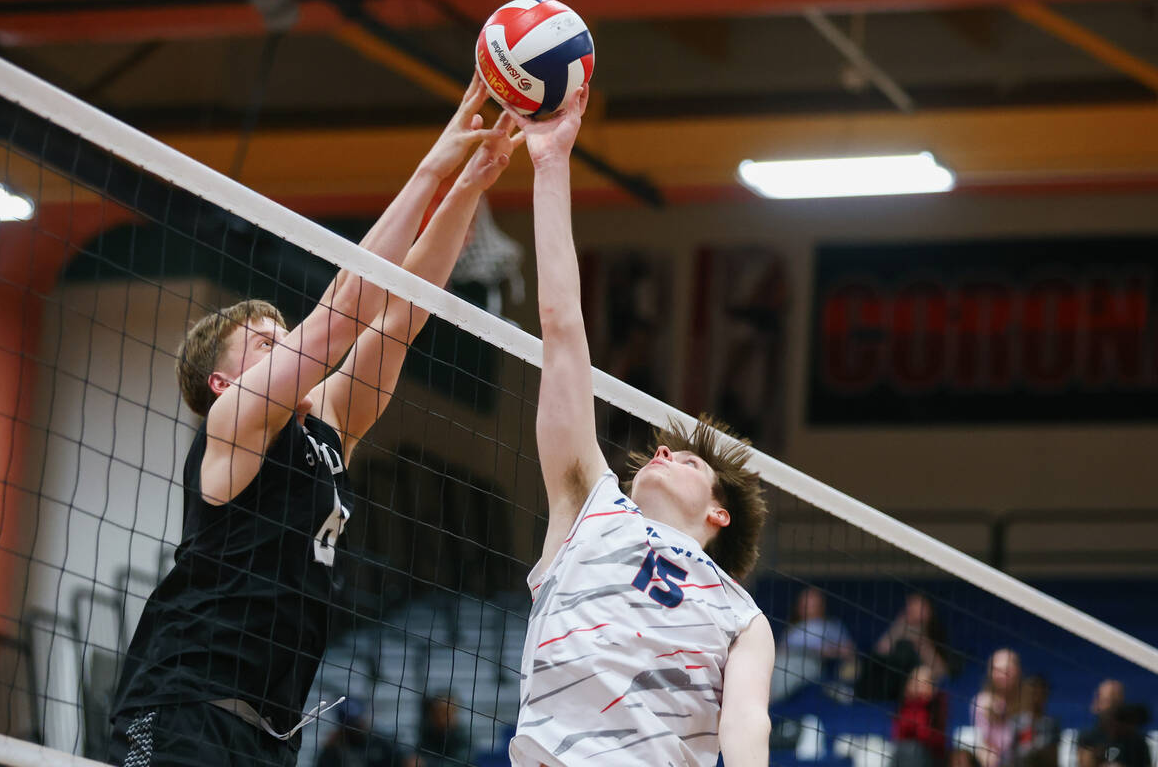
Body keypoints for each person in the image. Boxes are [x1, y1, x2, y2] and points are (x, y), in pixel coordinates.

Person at [107, 77, 521, 767]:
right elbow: (337, 320)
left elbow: (402, 313)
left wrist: (470, 185)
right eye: (267, 342)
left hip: (270, 732)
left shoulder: (327, 426)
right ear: (223, 381)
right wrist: (433, 165)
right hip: (181, 708)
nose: (285, 342)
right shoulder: (233, 422)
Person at [503, 87, 775, 767]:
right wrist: (550, 163)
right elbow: (563, 331)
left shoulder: (742, 616)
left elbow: (747, 730)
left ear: (719, 512)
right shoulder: (588, 508)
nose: (661, 451)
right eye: (664, 448)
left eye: (687, 461)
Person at [770, 586, 857, 703]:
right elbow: (780, 648)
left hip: (809, 663)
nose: (808, 607)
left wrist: (825, 651)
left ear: (821, 605)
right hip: (782, 660)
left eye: (812, 603)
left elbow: (849, 651)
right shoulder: (793, 628)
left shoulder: (831, 625)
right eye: (804, 603)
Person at [861, 593, 950, 702]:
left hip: (917, 684)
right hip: (889, 681)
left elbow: (940, 670)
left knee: (906, 651)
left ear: (928, 611)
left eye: (918, 606)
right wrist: (900, 626)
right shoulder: (901, 626)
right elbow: (879, 651)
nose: (912, 609)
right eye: (910, 606)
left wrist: (920, 642)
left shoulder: (936, 632)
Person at [1076, 679, 1152, 767]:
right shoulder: (1088, 737)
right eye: (1107, 701)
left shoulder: (1137, 742)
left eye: (1116, 702)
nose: (1112, 708)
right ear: (1096, 705)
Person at [971, 649, 1023, 767]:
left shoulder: (1030, 697)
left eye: (1007, 670)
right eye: (998, 670)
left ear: (1017, 671)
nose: (1002, 675)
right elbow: (987, 744)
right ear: (990, 672)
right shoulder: (982, 702)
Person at [314, 699, 401, 767]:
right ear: (341, 724)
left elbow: (404, 761)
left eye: (358, 719)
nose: (356, 725)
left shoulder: (381, 743)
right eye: (351, 723)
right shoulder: (331, 751)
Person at [891, 665, 948, 767]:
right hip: (904, 755)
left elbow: (928, 737)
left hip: (930, 757)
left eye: (924, 682)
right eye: (915, 681)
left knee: (914, 750)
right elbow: (898, 734)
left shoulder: (937, 705)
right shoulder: (904, 705)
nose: (918, 686)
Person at [1006, 675, 1059, 767]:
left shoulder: (1052, 724)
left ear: (1045, 696)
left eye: (1040, 693)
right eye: (1032, 693)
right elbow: (1010, 755)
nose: (1036, 698)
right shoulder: (1015, 721)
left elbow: (1053, 758)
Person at [411, 694, 472, 767]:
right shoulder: (428, 733)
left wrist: (426, 763)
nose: (449, 717)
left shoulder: (463, 738)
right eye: (442, 713)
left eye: (451, 712)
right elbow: (418, 755)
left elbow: (458, 763)